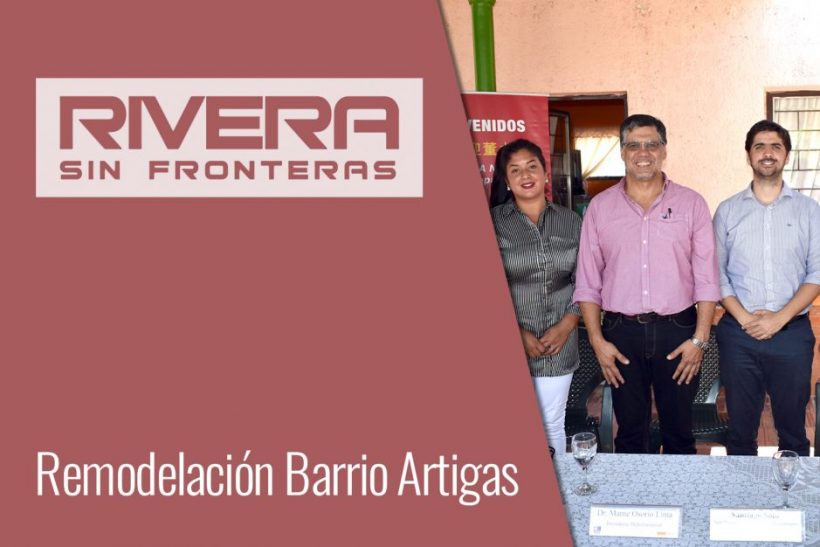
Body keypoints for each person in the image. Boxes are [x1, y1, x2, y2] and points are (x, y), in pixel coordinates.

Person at [573, 114, 720, 454]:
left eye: (651, 144)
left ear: (664, 150)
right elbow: (588, 281)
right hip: (621, 334)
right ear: (622, 152)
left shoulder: (691, 204)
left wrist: (699, 340)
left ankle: (680, 490)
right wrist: (597, 341)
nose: (643, 153)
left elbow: (707, 279)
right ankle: (636, 491)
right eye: (634, 145)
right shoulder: (600, 208)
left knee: (680, 432)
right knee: (630, 434)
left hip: (678, 330)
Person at [714, 120, 820, 456]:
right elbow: (716, 275)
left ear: (786, 155)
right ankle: (741, 490)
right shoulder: (727, 211)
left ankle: (792, 489)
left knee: (793, 431)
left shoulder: (810, 211)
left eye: (776, 146)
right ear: (748, 155)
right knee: (740, 431)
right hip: (739, 335)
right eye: (759, 146)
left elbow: (816, 273)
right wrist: (746, 319)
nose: (768, 153)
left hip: (792, 335)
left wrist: (778, 318)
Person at [490, 139, 582, 455]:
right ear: (506, 180)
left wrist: (567, 324)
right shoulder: (493, 222)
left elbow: (586, 280)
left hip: (559, 343)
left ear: (545, 173)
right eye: (515, 170)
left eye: (532, 166)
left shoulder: (571, 221)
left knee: (552, 424)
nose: (525, 175)